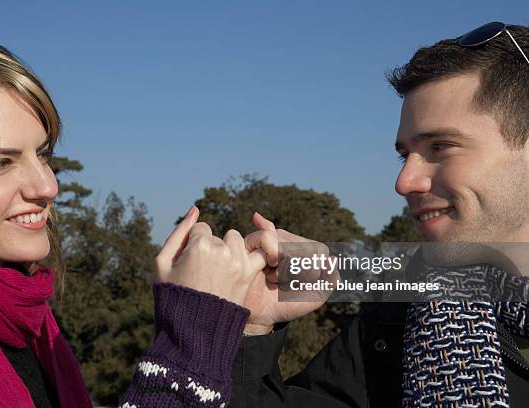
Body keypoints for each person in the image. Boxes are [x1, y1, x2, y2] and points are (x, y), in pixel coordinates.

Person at [0, 41, 267, 408]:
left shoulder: (25, 320)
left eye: (42, 154)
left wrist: (244, 331)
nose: (47, 186)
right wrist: (190, 342)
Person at [226, 22, 529, 408]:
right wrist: (250, 328)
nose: (405, 182)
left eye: (441, 146)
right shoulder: (398, 328)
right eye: (405, 155)